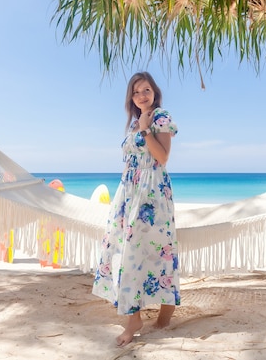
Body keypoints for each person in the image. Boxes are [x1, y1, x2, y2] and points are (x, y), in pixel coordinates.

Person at [92, 71, 180, 347]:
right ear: (131, 97)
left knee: (153, 249)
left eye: (146, 90)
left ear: (155, 92)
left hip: (152, 192)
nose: (142, 95)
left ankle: (159, 311)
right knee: (126, 251)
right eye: (136, 92)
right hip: (129, 192)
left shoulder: (160, 117)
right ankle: (138, 315)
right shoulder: (133, 123)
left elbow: (162, 157)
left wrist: (145, 129)